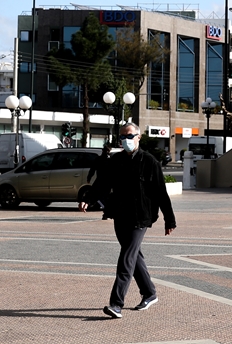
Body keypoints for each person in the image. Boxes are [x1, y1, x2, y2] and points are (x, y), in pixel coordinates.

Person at [79, 122, 176, 319]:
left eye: (130, 136)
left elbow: (160, 193)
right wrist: (88, 199)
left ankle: (116, 304)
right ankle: (150, 293)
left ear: (139, 137)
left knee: (126, 258)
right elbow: (102, 183)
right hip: (120, 214)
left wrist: (169, 219)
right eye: (123, 137)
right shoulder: (116, 160)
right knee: (134, 256)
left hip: (141, 217)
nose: (126, 140)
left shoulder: (150, 162)